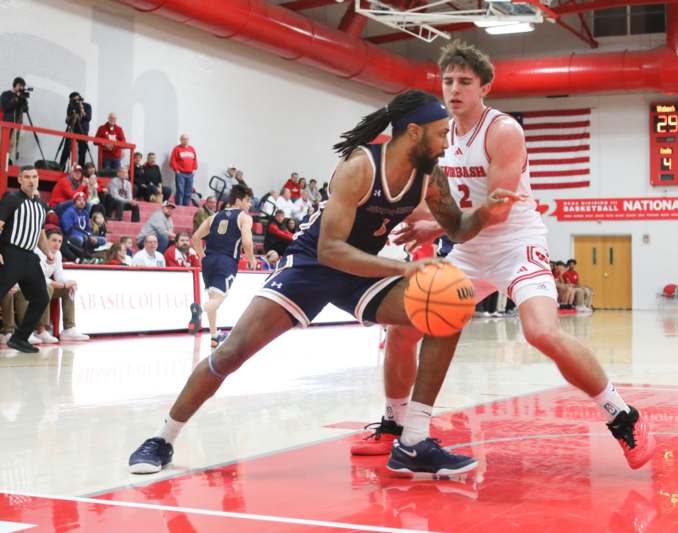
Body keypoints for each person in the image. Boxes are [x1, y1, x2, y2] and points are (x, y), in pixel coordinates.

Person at [127, 90, 521, 475]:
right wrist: (402, 269)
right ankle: (162, 437)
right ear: (414, 132)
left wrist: (486, 212)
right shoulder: (360, 166)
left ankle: (413, 441)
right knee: (232, 353)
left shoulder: (431, 176)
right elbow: (331, 250)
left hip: (360, 271)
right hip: (311, 264)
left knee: (450, 310)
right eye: (440, 132)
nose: (447, 140)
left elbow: (457, 227)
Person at [370, 41, 655, 471]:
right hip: (466, 249)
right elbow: (439, 198)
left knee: (541, 332)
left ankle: (621, 415)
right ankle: (400, 426)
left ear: (485, 86)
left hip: (515, 244)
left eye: (465, 81)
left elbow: (498, 208)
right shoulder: (437, 133)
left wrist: (437, 224)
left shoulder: (502, 130)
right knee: (404, 328)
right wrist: (403, 216)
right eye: (448, 81)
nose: (454, 89)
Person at [189, 184, 256, 348]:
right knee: (216, 300)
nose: (250, 205)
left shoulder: (214, 216)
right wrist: (251, 259)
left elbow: (196, 237)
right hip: (226, 262)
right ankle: (199, 309)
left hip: (208, 261)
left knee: (213, 297)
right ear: (239, 200)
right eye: (247, 201)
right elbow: (247, 242)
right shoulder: (244, 217)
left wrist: (201, 255)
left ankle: (214, 335)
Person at [0, 166, 51, 353]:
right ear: (20, 180)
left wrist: (48, 253)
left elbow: (40, 235)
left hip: (29, 257)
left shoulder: (42, 206)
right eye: (27, 177)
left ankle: (19, 338)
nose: (32, 180)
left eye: (35, 177)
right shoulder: (11, 199)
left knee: (41, 298)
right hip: (10, 254)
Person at [20, 228, 90, 342]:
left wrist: (68, 282)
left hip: (46, 287)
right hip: (29, 288)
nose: (57, 244)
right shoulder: (36, 252)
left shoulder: (58, 254)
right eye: (54, 240)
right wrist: (57, 284)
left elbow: (59, 275)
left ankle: (69, 329)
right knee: (46, 287)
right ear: (45, 241)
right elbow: (38, 277)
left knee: (69, 289)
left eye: (59, 241)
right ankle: (40, 330)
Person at [60, 192, 106, 257]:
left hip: (85, 236)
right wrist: (84, 236)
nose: (82, 202)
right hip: (72, 236)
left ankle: (89, 253)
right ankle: (80, 254)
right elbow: (68, 230)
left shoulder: (85, 213)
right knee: (79, 240)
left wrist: (90, 236)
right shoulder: (69, 212)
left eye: (83, 200)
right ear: (75, 202)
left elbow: (88, 228)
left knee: (103, 240)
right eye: (79, 200)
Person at [58, 92, 92, 170]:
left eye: (77, 99)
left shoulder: (87, 106)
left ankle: (81, 169)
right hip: (72, 129)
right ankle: (61, 167)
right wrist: (73, 113)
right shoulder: (70, 106)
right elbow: (67, 120)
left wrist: (81, 109)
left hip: (83, 130)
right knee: (66, 148)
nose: (76, 101)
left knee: (82, 151)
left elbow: (88, 118)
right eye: (74, 100)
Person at [0, 77, 28, 163]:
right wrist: (16, 99)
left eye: (23, 86)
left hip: (16, 125)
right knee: (2, 143)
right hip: (5, 124)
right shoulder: (6, 94)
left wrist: (23, 100)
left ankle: (5, 161)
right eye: (20, 85)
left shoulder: (20, 97)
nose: (21, 88)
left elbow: (25, 110)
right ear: (15, 85)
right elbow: (5, 106)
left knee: (11, 145)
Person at [169, 134, 198, 206]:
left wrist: (194, 168)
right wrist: (177, 170)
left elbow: (195, 159)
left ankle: (186, 206)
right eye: (183, 139)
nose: (185, 141)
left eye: (186, 139)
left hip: (190, 173)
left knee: (188, 191)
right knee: (180, 191)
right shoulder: (177, 149)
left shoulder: (192, 149)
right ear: (181, 140)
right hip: (180, 173)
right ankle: (179, 206)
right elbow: (173, 160)